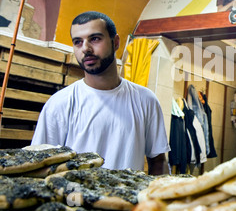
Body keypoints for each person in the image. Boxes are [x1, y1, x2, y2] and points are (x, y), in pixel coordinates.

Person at [31, 11, 170, 175]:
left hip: (129, 199)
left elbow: (158, 162)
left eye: (95, 39)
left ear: (115, 42)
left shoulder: (145, 100)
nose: (86, 48)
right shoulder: (59, 104)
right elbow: (39, 166)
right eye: (78, 42)